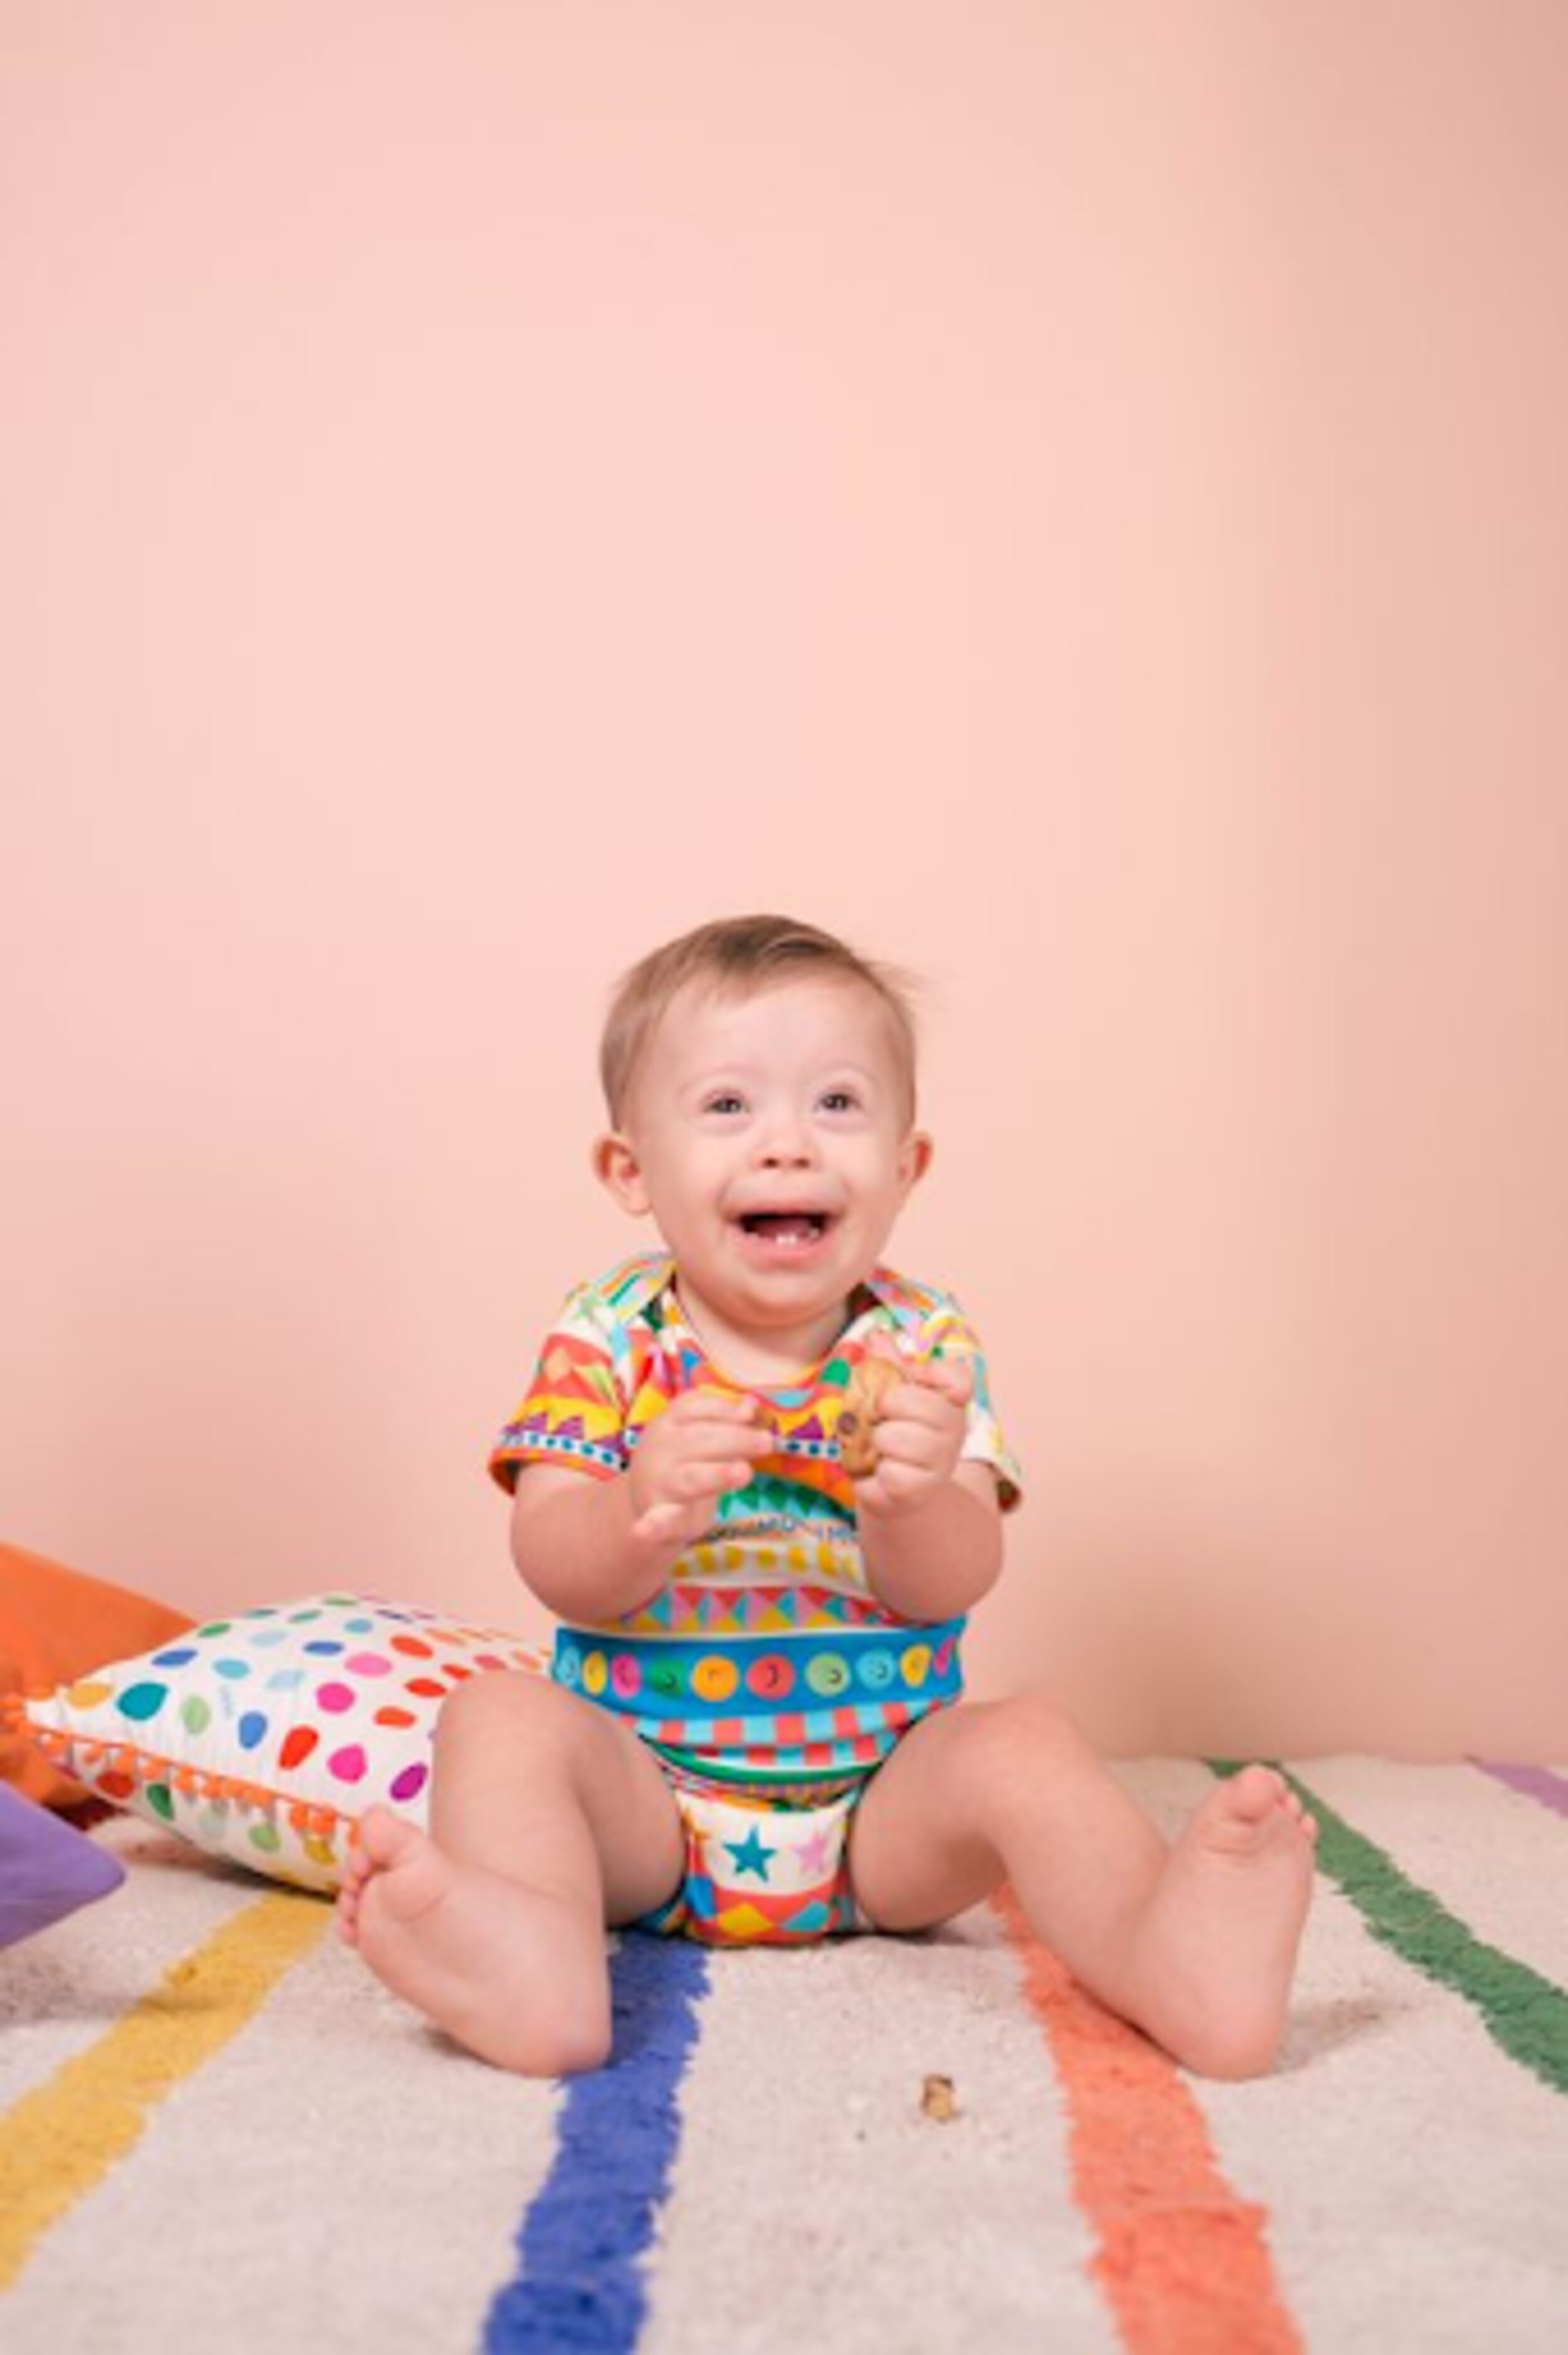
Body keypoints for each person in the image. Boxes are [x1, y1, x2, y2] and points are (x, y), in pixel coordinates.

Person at [338, 914, 1316, 2076]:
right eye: (728, 1107)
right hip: (647, 1808)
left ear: (907, 1168)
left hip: (880, 1818)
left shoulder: (922, 1344)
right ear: (631, 1171)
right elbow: (551, 1555)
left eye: (838, 1105)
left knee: (1024, 1738)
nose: (790, 1146)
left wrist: (911, 1501)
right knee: (498, 1714)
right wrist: (635, 1510)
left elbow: (953, 1582)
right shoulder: (606, 1333)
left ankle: (1177, 1961)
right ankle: (533, 1962)